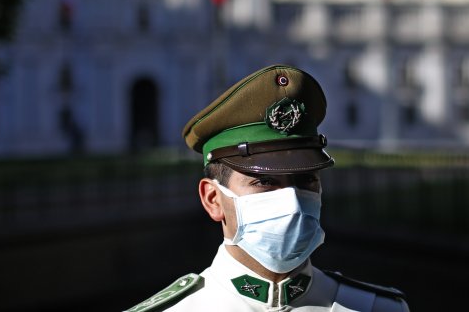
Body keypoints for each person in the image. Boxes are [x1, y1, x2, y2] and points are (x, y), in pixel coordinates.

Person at [124, 64, 409, 312]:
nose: (294, 201)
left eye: (306, 179)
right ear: (213, 199)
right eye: (264, 181)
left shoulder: (378, 308)